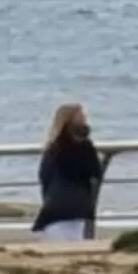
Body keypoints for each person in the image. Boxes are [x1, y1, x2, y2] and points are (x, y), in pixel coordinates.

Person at [34, 103, 105, 243]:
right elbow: (95, 172)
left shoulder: (53, 147)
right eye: (82, 116)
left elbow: (44, 176)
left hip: (55, 208)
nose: (85, 118)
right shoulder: (83, 146)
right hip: (78, 206)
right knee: (75, 242)